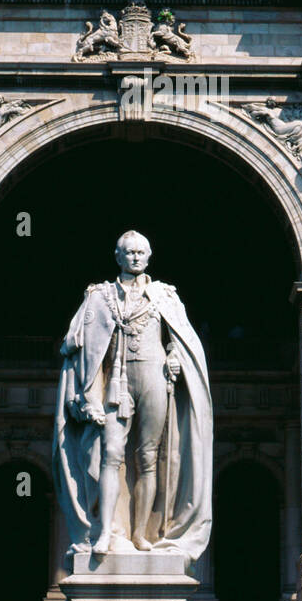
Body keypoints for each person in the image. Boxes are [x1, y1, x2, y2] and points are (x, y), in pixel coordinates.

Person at [53, 231, 213, 562]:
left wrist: (174, 355)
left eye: (141, 252)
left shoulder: (165, 295)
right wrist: (86, 395)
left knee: (148, 458)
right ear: (118, 256)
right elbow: (77, 344)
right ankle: (105, 532)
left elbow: (181, 339)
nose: (136, 257)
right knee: (111, 452)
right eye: (129, 252)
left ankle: (141, 533)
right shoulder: (99, 296)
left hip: (154, 377)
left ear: (149, 256)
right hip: (116, 384)